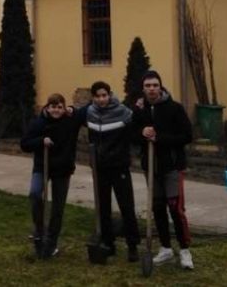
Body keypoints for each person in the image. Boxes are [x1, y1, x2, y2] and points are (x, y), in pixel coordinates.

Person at [133, 70, 195, 270]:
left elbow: (187, 136)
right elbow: (131, 135)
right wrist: (141, 133)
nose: (151, 89)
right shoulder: (140, 110)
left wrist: (160, 138)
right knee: (158, 207)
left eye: (155, 85)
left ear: (161, 87)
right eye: (148, 86)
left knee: (175, 208)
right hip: (151, 168)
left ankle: (185, 251)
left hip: (172, 167)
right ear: (143, 89)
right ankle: (166, 249)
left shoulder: (174, 108)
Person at [79, 81, 140, 262]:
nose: (101, 99)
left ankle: (132, 246)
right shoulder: (90, 113)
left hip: (119, 166)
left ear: (110, 94)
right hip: (100, 168)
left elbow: (135, 129)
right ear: (93, 98)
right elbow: (74, 115)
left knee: (126, 206)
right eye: (97, 96)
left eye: (104, 95)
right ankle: (108, 244)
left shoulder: (123, 112)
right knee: (103, 207)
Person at [20, 93, 83, 259]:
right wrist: (41, 141)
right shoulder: (39, 123)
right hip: (42, 167)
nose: (56, 110)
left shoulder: (70, 121)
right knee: (35, 193)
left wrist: (73, 110)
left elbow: (84, 112)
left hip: (63, 169)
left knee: (57, 207)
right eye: (53, 107)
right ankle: (39, 230)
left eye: (60, 107)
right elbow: (24, 144)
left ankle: (52, 242)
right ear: (47, 107)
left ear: (64, 108)